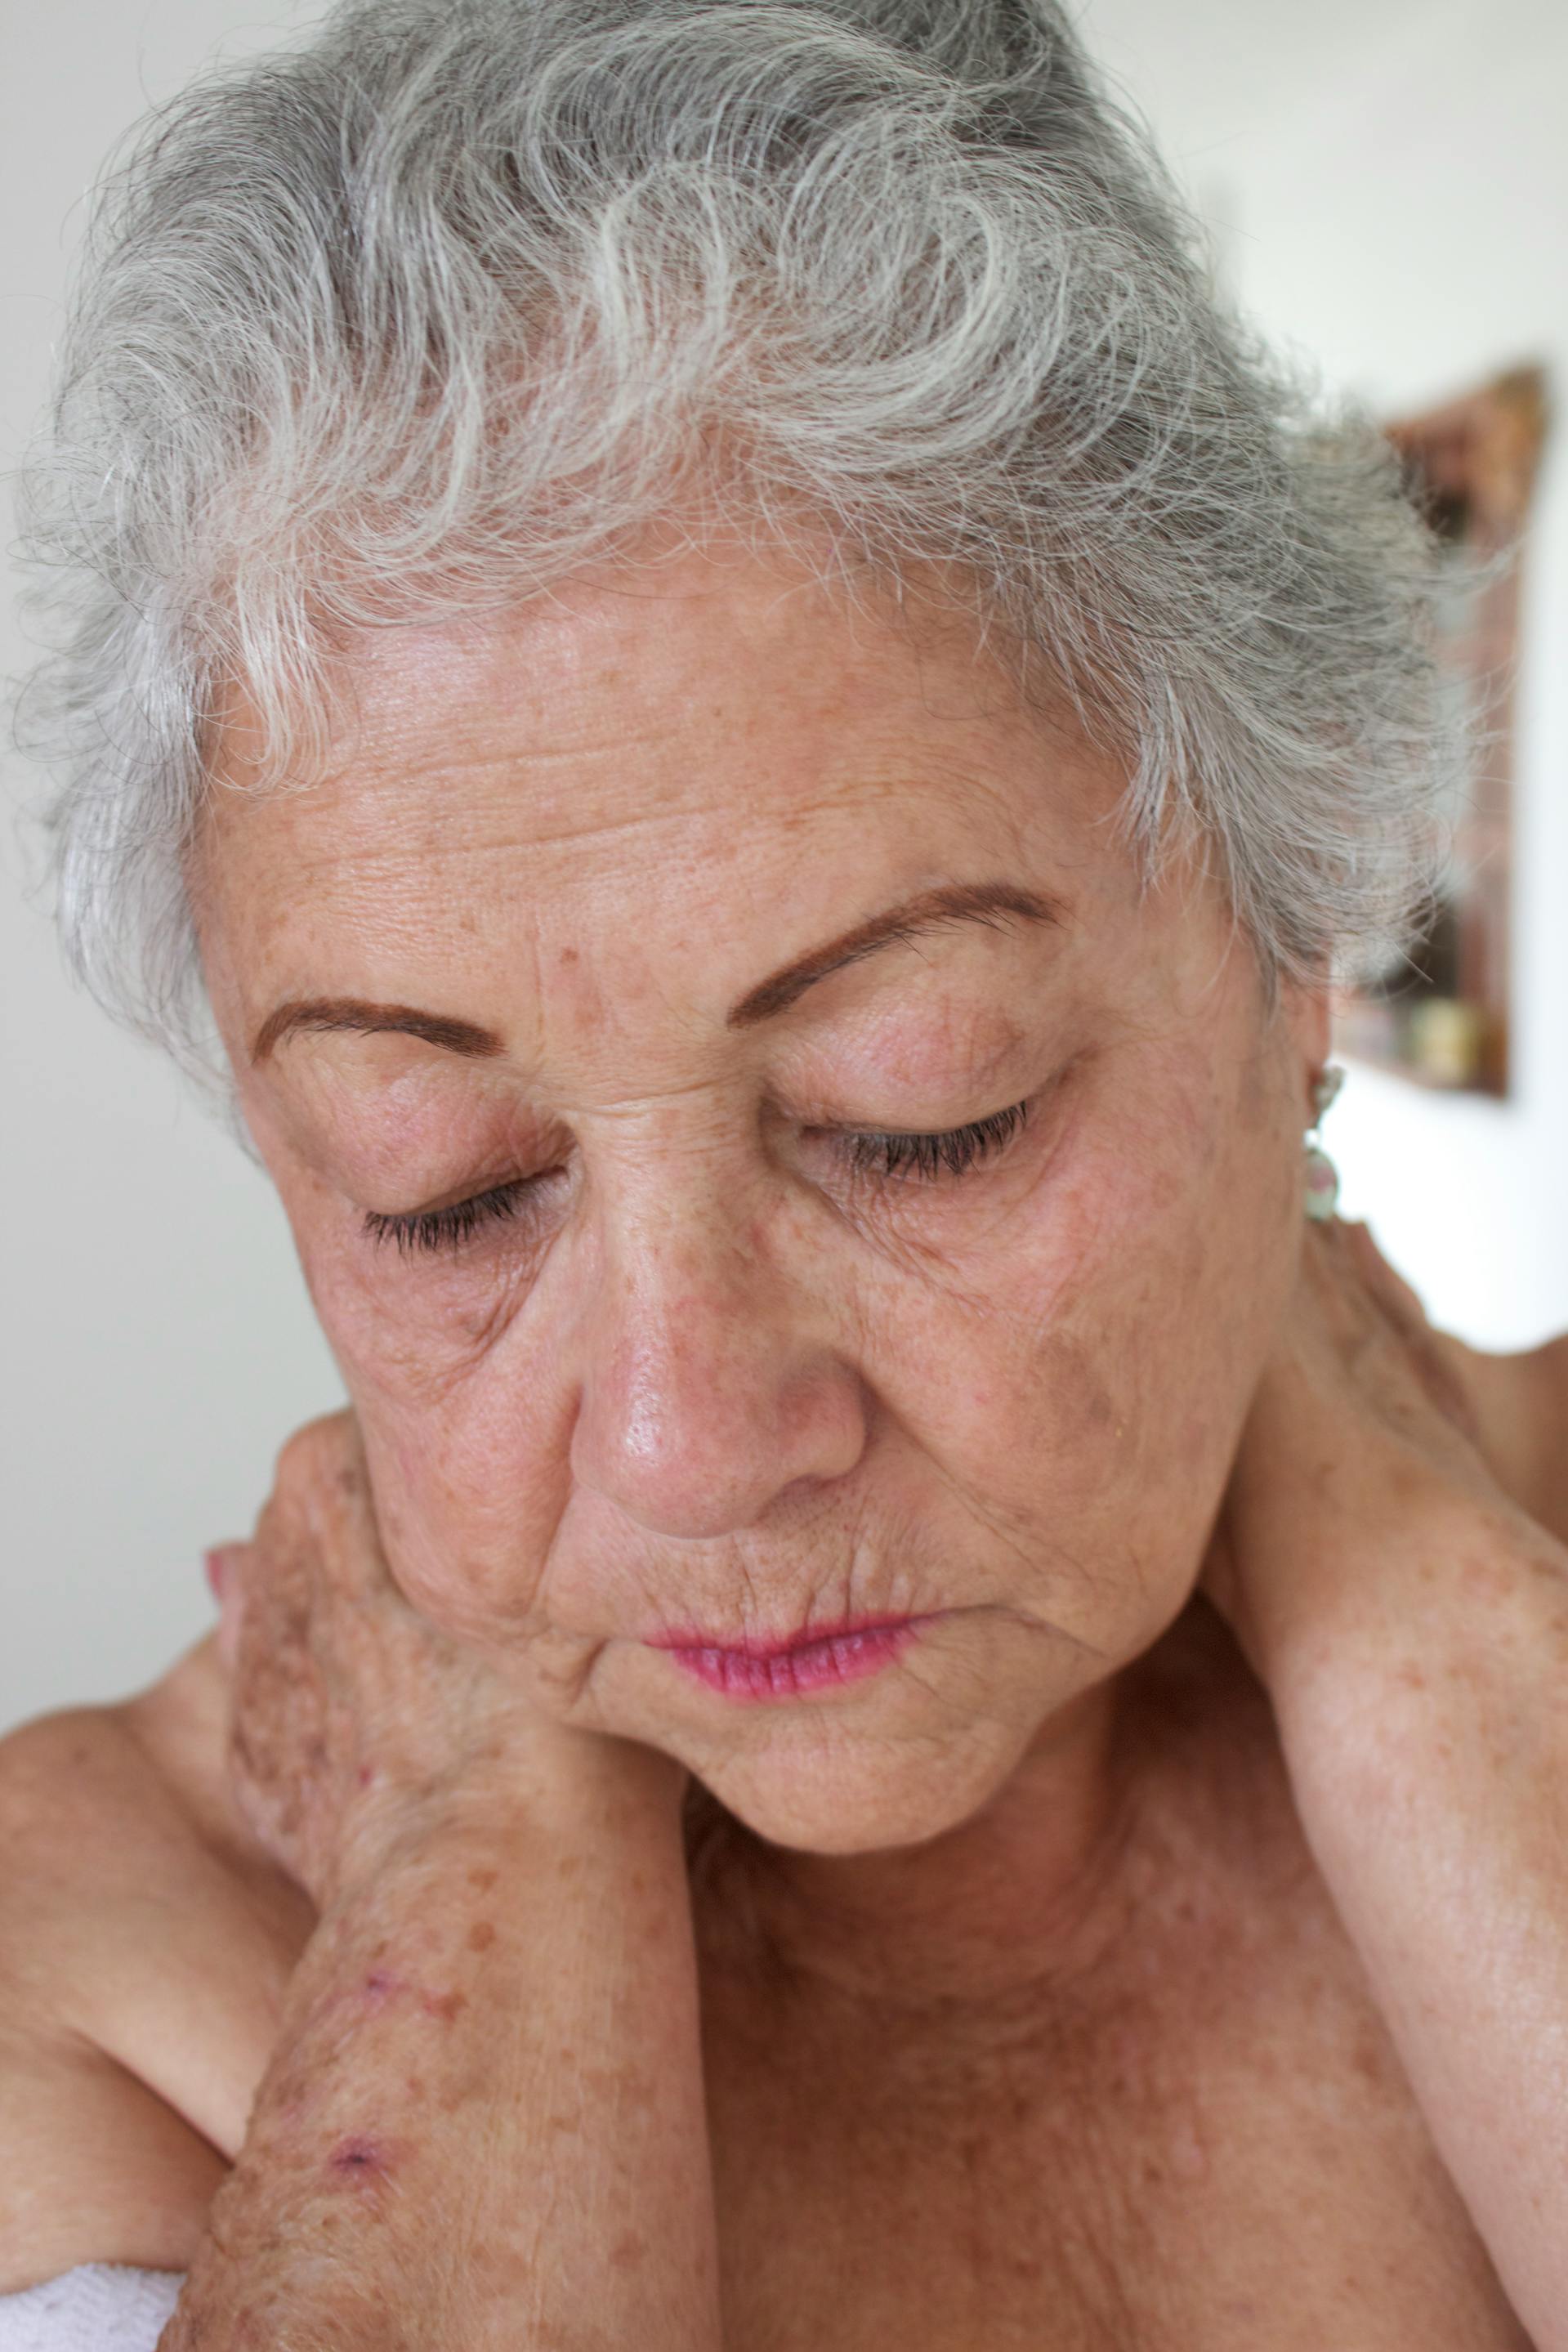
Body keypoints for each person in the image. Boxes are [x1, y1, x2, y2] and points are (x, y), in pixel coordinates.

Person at [2, 2, 1566, 2345]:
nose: (691, 1440)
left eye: (918, 1114)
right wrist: (484, 1823)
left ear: (1300, 958)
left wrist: (1421, 1622)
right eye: (443, 1191)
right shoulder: (88, 1956)